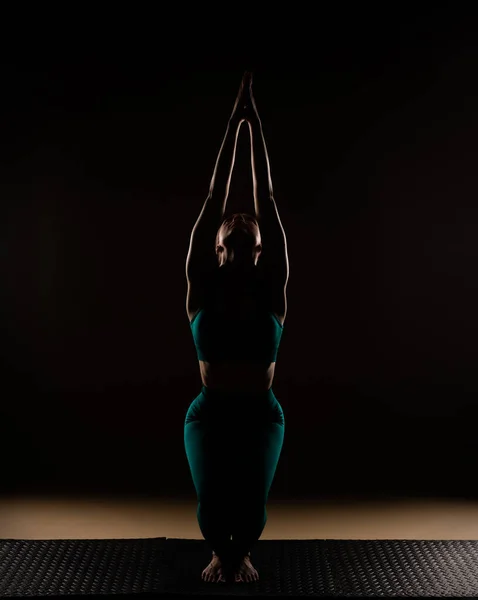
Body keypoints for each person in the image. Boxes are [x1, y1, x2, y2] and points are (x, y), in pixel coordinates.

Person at [183, 72, 289, 584]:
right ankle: (221, 551)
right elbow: (211, 199)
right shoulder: (202, 285)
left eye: (251, 224)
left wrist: (256, 124)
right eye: (232, 221)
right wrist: (233, 123)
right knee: (210, 512)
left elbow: (266, 197)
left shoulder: (272, 288)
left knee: (251, 516)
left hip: (260, 416)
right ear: (219, 245)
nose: (242, 215)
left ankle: (239, 552)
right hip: (209, 415)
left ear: (261, 248)